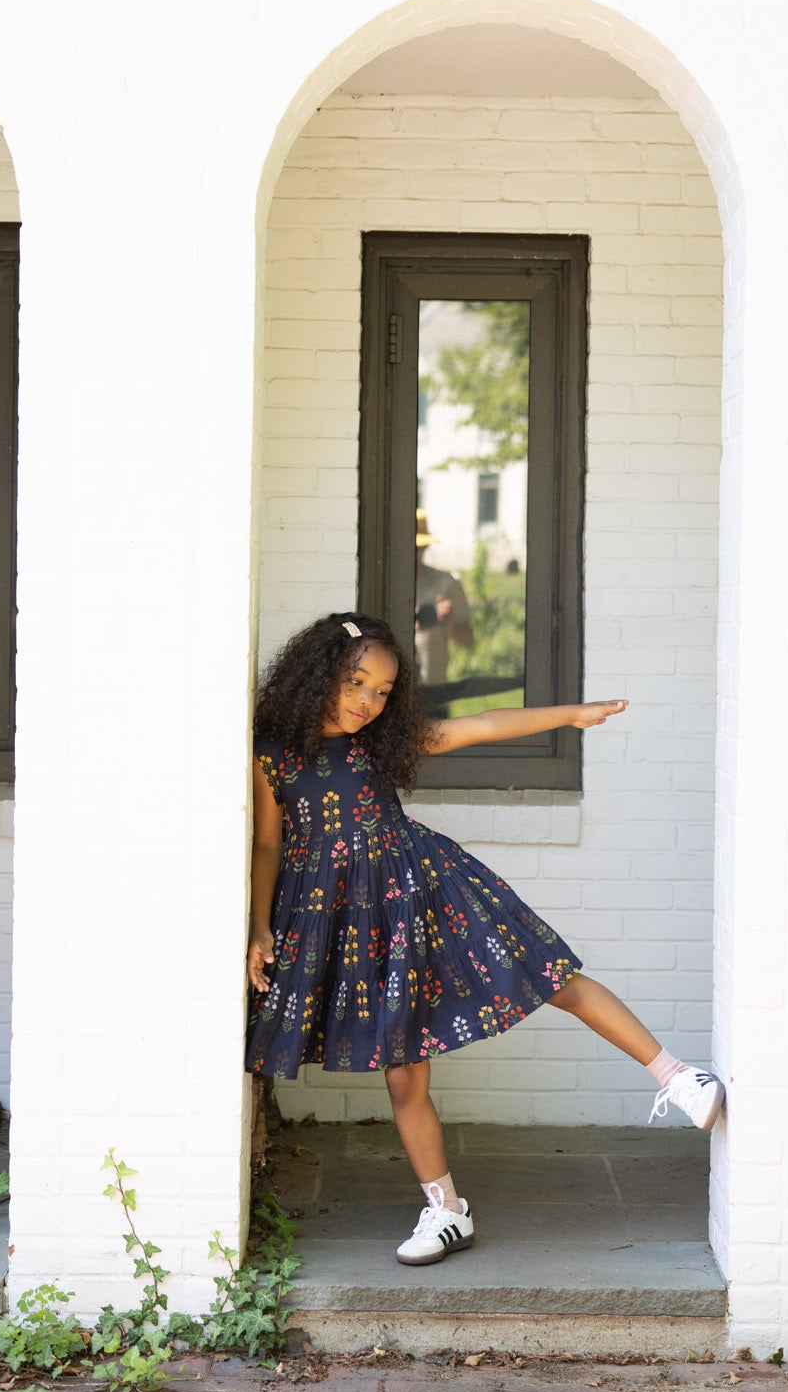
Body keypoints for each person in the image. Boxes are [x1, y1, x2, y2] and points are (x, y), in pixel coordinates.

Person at [244, 612, 727, 1267]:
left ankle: (678, 1075)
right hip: (350, 921)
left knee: (548, 973)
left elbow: (482, 726)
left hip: (423, 890)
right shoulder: (271, 754)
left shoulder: (379, 745)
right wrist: (260, 924)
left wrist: (570, 715)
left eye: (383, 691)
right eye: (358, 682)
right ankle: (446, 1209)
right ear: (320, 672)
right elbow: (268, 842)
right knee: (405, 1074)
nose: (368, 702)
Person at [412, 510, 473, 684]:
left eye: (421, 548)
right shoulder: (386, 585)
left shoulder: (446, 584)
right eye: (414, 547)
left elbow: (468, 642)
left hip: (434, 691)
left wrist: (450, 625)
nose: (417, 554)